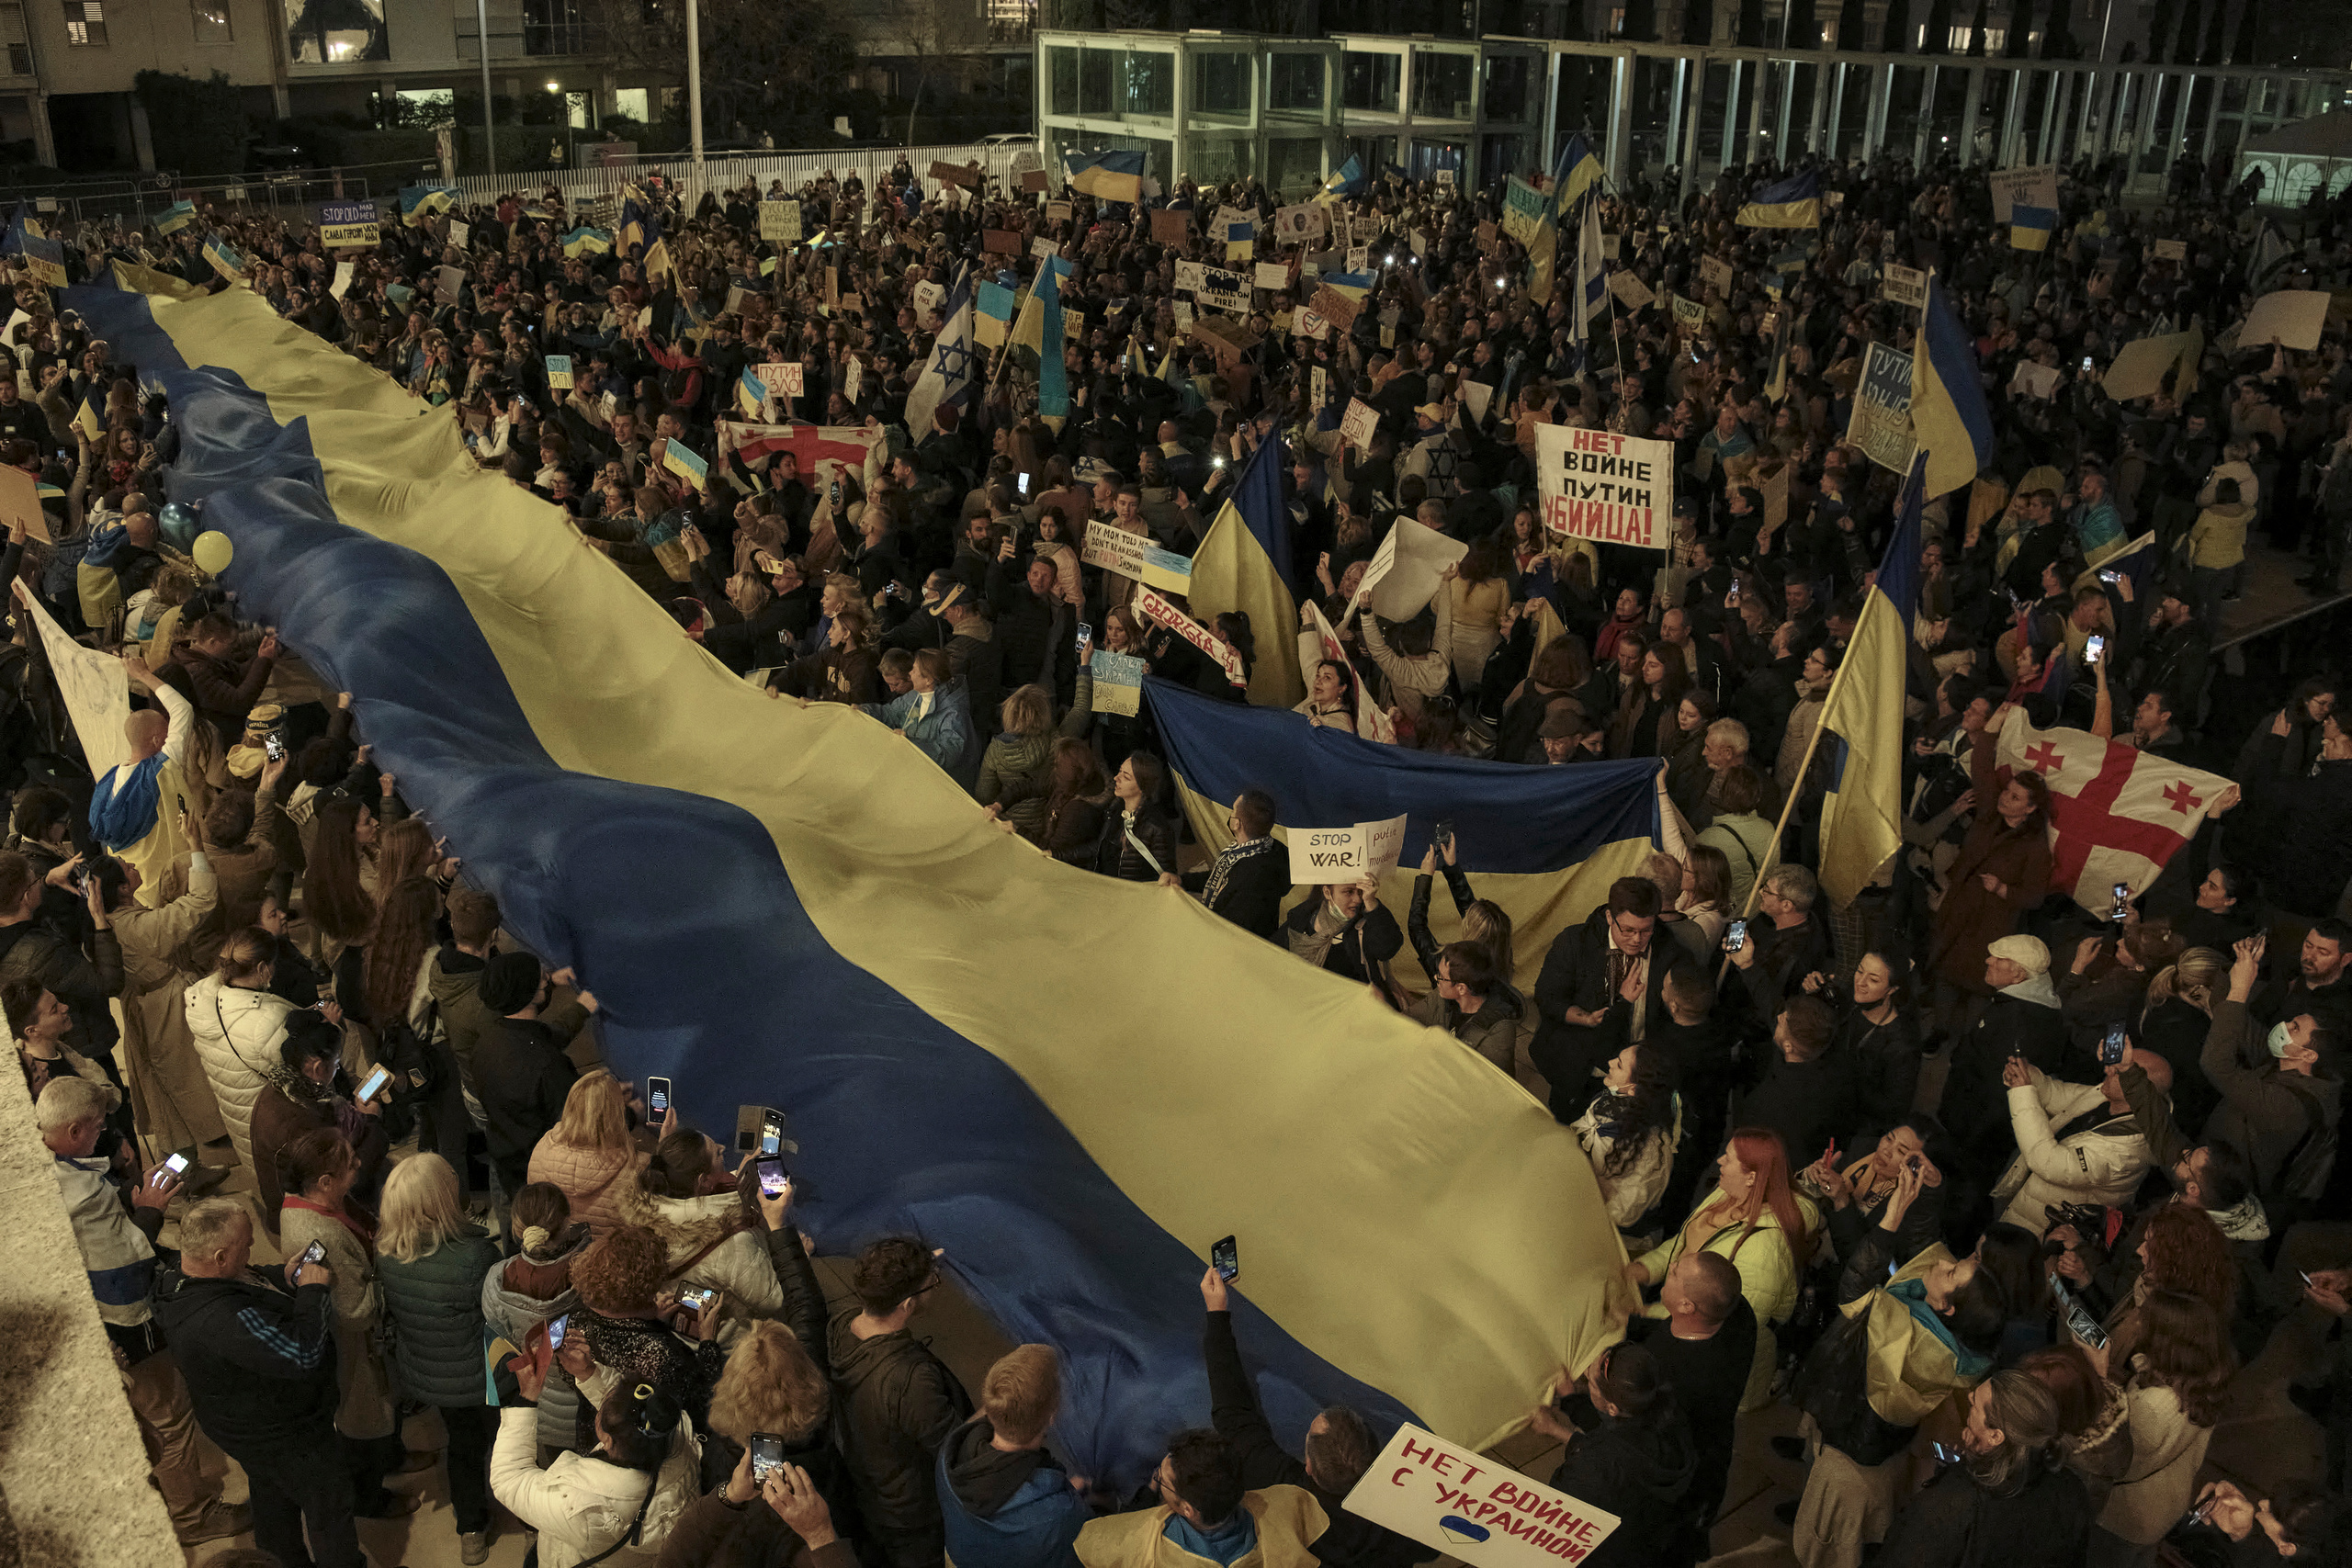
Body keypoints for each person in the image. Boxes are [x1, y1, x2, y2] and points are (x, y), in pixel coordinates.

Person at [38, 1076, 248, 1546]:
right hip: (126, 1324)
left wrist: (129, 1192)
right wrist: (149, 1210)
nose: (100, 1134)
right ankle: (195, 1516)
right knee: (169, 1418)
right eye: (94, 1128)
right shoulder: (83, 1196)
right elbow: (126, 1266)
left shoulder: (50, 1162)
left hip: (93, 1314)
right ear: (73, 1132)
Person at [1784, 1159, 2007, 1568]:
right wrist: (1929, 1193)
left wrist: (1890, 1221)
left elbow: (1854, 1292)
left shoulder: (1915, 1344)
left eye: (1953, 1271)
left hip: (1852, 1451)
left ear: (1947, 1306)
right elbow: (1928, 1247)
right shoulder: (1955, 1337)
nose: (1943, 1263)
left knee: (1828, 1539)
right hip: (1863, 1441)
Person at [153, 1197, 368, 1568]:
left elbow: (245, 1279)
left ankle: (281, 1560)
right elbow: (303, 1355)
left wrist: (279, 1274)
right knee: (328, 1509)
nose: (251, 1249)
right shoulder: (222, 1321)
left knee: (272, 1500)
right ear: (219, 1257)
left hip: (240, 1427)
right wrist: (312, 1291)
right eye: (245, 1245)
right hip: (284, 1434)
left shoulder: (180, 1274)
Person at [1196, 1268, 1425, 1568]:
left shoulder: (1281, 1485)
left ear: (1308, 1467)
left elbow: (1232, 1413)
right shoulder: (1401, 1520)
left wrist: (1216, 1313)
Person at [277, 1126, 427, 1519]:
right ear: (325, 1182)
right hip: (356, 1351)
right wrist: (391, 1276)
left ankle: (393, 1456)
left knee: (383, 1411)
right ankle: (370, 1497)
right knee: (364, 1422)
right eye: (349, 1164)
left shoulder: (305, 1204)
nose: (359, 1164)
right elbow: (356, 1312)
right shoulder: (318, 1233)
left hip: (363, 1346)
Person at [1626, 1129, 1818, 1411]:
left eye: (1727, 1158)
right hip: (1677, 1322)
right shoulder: (1724, 1193)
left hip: (1712, 1368)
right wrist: (1642, 1269)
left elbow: (1722, 1322)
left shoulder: (1765, 1251)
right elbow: (1683, 1245)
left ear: (1751, 1177)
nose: (1719, 1162)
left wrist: (1643, 1316)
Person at [377, 1152, 504, 1565]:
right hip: (478, 1376)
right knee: (499, 1443)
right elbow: (499, 1317)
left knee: (461, 1446)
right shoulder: (475, 1256)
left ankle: (470, 1528)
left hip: (430, 1375)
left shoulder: (387, 1253)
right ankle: (522, 1513)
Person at [830, 1235, 972, 1568]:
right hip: (912, 1521)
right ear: (908, 1304)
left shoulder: (841, 1324)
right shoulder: (910, 1382)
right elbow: (957, 1453)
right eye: (932, 1283)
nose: (936, 1286)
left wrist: (919, 1266)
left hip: (871, 1495)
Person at [495, 1352, 704, 1568]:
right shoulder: (675, 1430)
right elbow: (630, 1414)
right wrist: (588, 1373)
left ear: (606, 1439)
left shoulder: (580, 1505)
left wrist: (526, 1399)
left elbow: (508, 1478)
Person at [1872, 1371, 2093, 1568]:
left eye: (1975, 1405)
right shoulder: (2073, 1490)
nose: (1969, 1397)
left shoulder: (1947, 1506)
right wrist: (1972, 1456)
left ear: (1995, 1436)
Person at [2084, 1288, 2236, 1568]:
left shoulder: (2155, 1407)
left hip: (2126, 1518)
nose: (2138, 1324)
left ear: (2165, 1340)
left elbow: (2116, 1459)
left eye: (2145, 1321)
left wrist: (2099, 1378)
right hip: (2165, 1506)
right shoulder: (2202, 1380)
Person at [1525, 1343, 1695, 1568]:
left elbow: (1557, 1509)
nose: (1585, 1374)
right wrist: (1568, 1403)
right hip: (1656, 1540)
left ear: (1613, 1408)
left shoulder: (1594, 1468)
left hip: (1612, 1555)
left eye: (1591, 1381)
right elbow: (1612, 1440)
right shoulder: (1667, 1412)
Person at [1531, 877, 1683, 1124]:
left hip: (1633, 1078)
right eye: (1628, 930)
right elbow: (1547, 998)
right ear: (1610, 917)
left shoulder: (1668, 949)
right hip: (1582, 1069)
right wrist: (1586, 1017)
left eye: (1645, 930)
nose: (1637, 939)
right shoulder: (1575, 942)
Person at [1928, 716, 2053, 1011]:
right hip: (1957, 909)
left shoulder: (2035, 848)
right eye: (2007, 791)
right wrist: (1991, 728)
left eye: (2015, 797)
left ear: (2030, 808)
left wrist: (2001, 888)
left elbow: (2034, 897)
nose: (2005, 799)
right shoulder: (1988, 816)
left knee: (1976, 982)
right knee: (1943, 970)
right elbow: (1982, 768)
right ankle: (1940, 1030)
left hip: (1991, 924)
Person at [2207, 935, 2343, 1208]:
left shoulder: (2288, 1106)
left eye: (2294, 1028)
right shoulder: (2281, 1057)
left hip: (2221, 1188)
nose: (2284, 1026)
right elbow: (2230, 1014)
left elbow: (2216, 1065)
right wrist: (2243, 968)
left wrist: (2242, 988)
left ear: (2307, 1055)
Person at [1073, 1427, 1329, 1568]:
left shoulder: (1140, 1547)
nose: (1158, 1481)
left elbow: (1090, 1542)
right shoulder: (1284, 1507)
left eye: (1161, 1480)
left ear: (1187, 1509)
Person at [933, 1344, 1091, 1568]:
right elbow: (1089, 1552)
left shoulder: (949, 1456)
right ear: (1052, 1416)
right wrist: (1082, 1499)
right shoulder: (1059, 1516)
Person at [184, 926, 301, 1217]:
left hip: (239, 1116)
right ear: (262, 968)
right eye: (271, 965)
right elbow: (301, 1082)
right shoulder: (268, 1020)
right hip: (273, 1121)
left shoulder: (200, 1001)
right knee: (292, 1185)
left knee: (262, 1173)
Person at [1991, 1048, 2163, 1235]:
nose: (2107, 1070)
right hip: (2025, 1203)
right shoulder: (2116, 1098)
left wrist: (2022, 1091)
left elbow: (2046, 1161)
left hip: (2036, 1231)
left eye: (2117, 1071)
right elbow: (2056, 1096)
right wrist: (2026, 1075)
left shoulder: (2125, 1154)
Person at [481, 1182, 593, 1461]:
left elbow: (500, 1352)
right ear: (567, 1223)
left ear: (516, 1230)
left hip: (537, 1407)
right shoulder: (594, 1274)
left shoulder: (497, 1279)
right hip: (591, 1405)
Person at [475, 951, 596, 1199]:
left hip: (509, 1172)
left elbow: (540, 1038)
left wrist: (580, 1008)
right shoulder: (548, 1066)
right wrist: (625, 1111)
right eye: (541, 978)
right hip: (548, 1185)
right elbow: (583, 1130)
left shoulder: (485, 1042)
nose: (545, 981)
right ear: (527, 994)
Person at [530, 1068, 651, 1241]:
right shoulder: (640, 1167)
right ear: (620, 1115)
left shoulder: (541, 1149)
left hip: (567, 1253)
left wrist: (608, 1097)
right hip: (614, 1261)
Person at [1570, 1043, 1681, 1231]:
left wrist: (1585, 1195)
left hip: (1594, 1222)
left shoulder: (1650, 1151)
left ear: (1634, 1089)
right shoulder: (1612, 1098)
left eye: (1620, 1065)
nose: (1610, 1062)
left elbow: (1624, 1213)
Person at [1169, 789, 1288, 940]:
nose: (1230, 814)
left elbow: (1232, 927)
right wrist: (1183, 880)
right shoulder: (1262, 850)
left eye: (1232, 811)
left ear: (1237, 824)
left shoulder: (1253, 874)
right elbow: (1222, 879)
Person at [1405, 941, 1522, 1073]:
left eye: (1441, 977)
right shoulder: (1440, 997)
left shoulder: (1498, 1030)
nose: (1435, 977)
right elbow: (1406, 1020)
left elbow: (1487, 1081)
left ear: (1461, 988)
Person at [1280, 878, 1402, 985]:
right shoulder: (1301, 919)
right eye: (1349, 892)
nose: (1358, 899)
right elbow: (1274, 953)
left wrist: (1372, 904)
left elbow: (1387, 950)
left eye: (1360, 892)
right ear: (1327, 892)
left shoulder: (1366, 922)